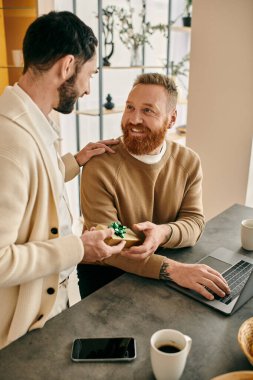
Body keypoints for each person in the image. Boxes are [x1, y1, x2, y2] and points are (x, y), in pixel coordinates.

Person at [0, 11, 126, 349]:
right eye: (89, 75)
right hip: (25, 330)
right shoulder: (10, 142)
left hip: (53, 308)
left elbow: (32, 183)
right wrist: (78, 249)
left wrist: (73, 162)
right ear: (67, 65)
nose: (87, 89)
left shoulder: (31, 121)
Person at [79, 73, 230, 300]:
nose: (134, 119)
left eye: (147, 110)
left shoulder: (188, 162)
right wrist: (170, 269)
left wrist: (163, 232)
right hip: (108, 274)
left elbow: (194, 222)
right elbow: (109, 235)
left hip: (160, 263)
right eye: (130, 107)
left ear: (171, 119)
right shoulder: (99, 165)